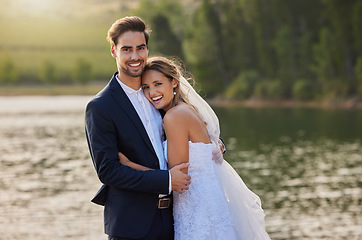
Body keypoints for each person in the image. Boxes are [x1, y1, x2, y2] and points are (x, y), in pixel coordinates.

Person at [118, 56, 271, 239]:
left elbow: (178, 177)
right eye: (146, 87)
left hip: (197, 210)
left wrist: (129, 165)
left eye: (158, 84)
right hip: (206, 204)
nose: (152, 92)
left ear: (173, 82)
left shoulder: (173, 117)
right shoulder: (187, 109)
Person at [85, 16, 192, 240]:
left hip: (177, 219)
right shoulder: (101, 107)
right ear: (114, 51)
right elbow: (108, 171)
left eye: (140, 48)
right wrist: (166, 180)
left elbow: (190, 125)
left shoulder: (158, 92)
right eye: (127, 50)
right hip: (132, 226)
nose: (135, 56)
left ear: (146, 49)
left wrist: (214, 145)